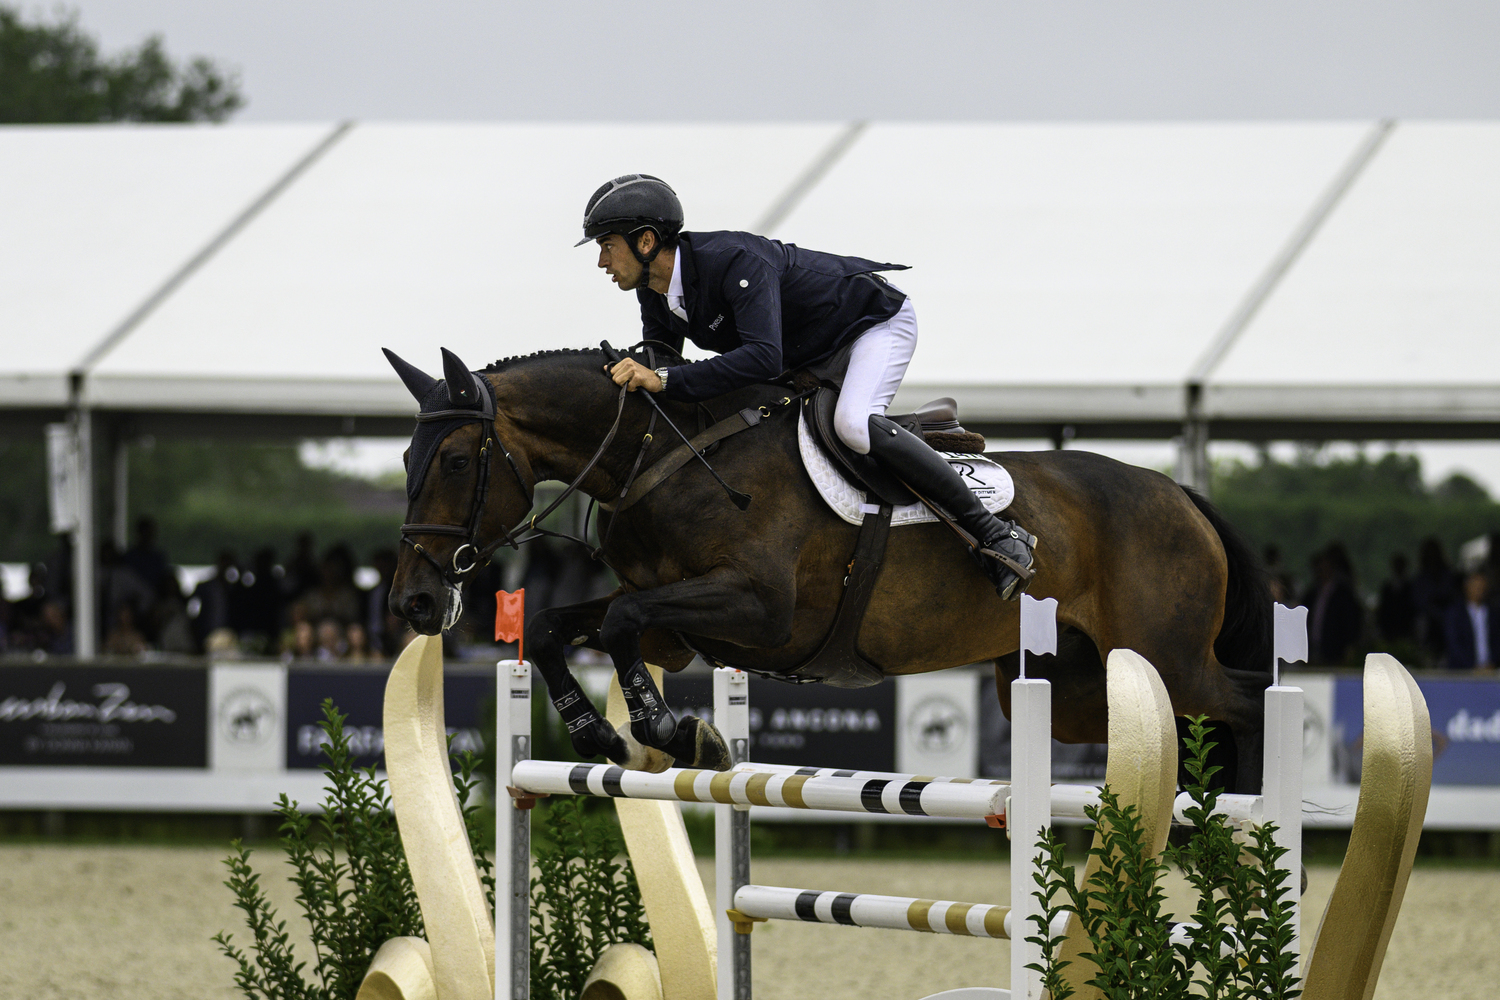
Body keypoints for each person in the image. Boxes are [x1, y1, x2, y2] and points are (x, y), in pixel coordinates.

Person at [584, 174, 1036, 599]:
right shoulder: (654, 289)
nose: (602, 261)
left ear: (646, 241)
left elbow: (762, 357)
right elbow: (664, 361)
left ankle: (996, 535)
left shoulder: (735, 261)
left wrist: (662, 378)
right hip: (809, 351)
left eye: (607, 245)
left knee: (853, 426)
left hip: (870, 325)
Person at [1443, 571, 1497, 671]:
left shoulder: (1493, 613)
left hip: (1491, 672)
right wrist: (1472, 667)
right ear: (1466, 587)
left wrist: (1492, 664)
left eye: (1482, 587)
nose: (1479, 590)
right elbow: (1454, 644)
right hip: (1463, 674)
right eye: (1476, 586)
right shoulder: (1455, 613)